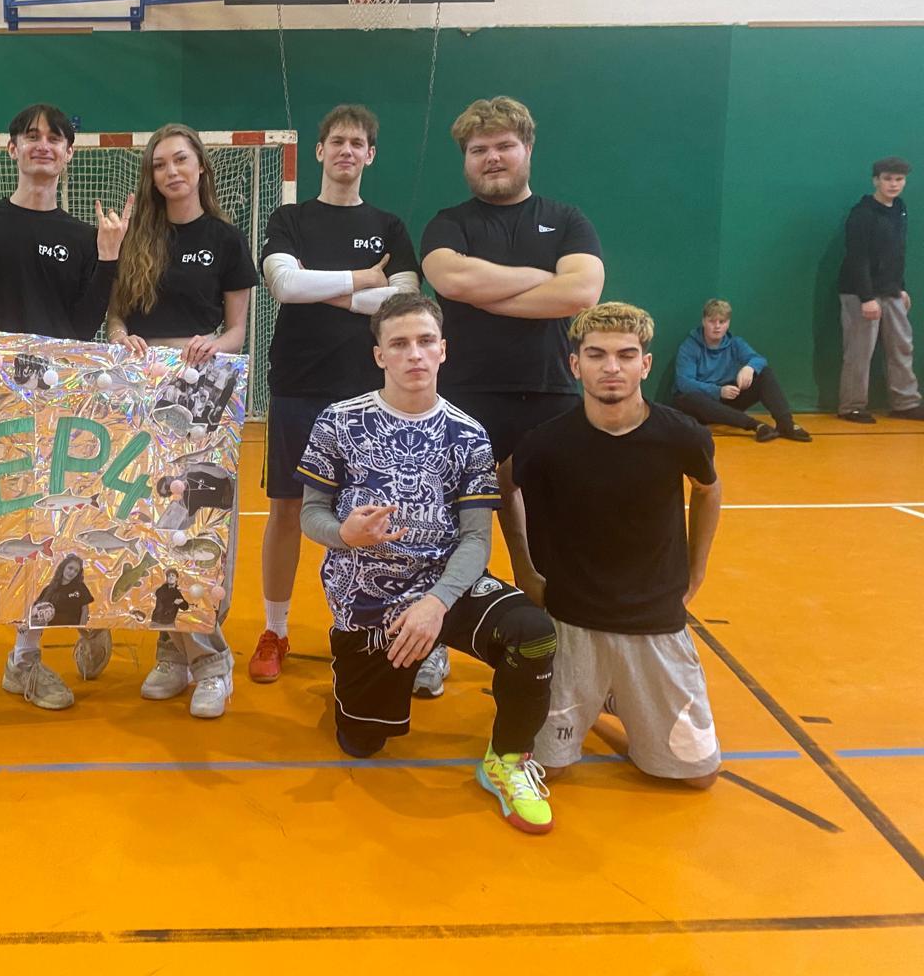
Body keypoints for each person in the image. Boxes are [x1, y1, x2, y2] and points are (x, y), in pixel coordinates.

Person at [297, 293, 559, 834]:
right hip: (369, 598)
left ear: (443, 350)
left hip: (445, 586)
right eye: (399, 344)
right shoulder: (339, 422)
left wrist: (436, 603)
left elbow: (476, 540)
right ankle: (375, 663)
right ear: (379, 356)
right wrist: (343, 534)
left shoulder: (469, 434)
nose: (413, 354)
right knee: (361, 742)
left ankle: (508, 759)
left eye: (425, 341)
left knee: (533, 633)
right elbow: (310, 514)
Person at [0, 103, 131, 711]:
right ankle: (34, 648)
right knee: (12, 529)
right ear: (12, 148)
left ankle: (42, 643)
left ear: (69, 153)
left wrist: (107, 259)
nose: (43, 145)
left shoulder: (83, 237)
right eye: (31, 136)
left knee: (62, 520)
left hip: (61, 401)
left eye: (55, 137)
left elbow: (81, 326)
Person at [510, 302, 723, 790]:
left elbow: (708, 489)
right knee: (551, 770)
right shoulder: (547, 442)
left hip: (654, 619)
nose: (611, 367)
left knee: (698, 776)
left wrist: (697, 572)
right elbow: (507, 484)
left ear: (644, 365)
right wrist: (524, 568)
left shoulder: (681, 435)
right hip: (573, 620)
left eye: (626, 355)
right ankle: (605, 696)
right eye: (596, 355)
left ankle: (619, 698)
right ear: (575, 364)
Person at [250, 104, 420, 687]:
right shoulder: (290, 218)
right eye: (337, 141)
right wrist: (365, 280)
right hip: (298, 385)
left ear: (371, 155)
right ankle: (274, 630)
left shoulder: (390, 227)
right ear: (319, 151)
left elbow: (404, 304)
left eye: (358, 143)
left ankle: (371, 626)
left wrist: (324, 288)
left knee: (373, 513)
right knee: (286, 509)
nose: (347, 150)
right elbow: (284, 285)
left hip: (369, 392)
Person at [420, 96, 604, 614]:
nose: (492, 158)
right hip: (464, 392)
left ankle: (565, 626)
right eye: (478, 149)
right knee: (449, 524)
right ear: (466, 159)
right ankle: (440, 631)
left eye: (504, 145)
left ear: (527, 149)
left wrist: (487, 293)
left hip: (549, 389)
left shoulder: (566, 219)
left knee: (560, 524)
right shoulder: (449, 222)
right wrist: (543, 280)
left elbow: (582, 292)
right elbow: (451, 280)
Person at [109, 123, 257, 719]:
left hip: (205, 394)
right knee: (152, 520)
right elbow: (115, 318)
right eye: (159, 164)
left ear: (200, 168)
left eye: (180, 160)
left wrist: (212, 346)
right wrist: (122, 339)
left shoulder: (226, 239)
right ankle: (171, 651)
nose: (170, 171)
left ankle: (213, 662)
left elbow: (238, 330)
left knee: (201, 522)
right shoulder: (136, 237)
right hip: (143, 390)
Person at [837, 157, 922, 423]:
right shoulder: (862, 213)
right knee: (860, 350)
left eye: (899, 179)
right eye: (887, 179)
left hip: (891, 290)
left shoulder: (900, 209)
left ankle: (905, 403)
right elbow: (857, 257)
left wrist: (900, 287)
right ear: (876, 180)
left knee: (901, 345)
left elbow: (896, 253)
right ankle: (851, 406)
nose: (893, 184)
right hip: (860, 292)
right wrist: (867, 297)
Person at [672, 299, 810, 442]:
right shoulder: (690, 346)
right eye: (712, 321)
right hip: (701, 404)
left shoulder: (735, 343)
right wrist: (718, 391)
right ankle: (755, 425)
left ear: (728, 323)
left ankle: (785, 424)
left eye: (722, 322)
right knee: (689, 398)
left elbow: (759, 359)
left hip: (727, 399)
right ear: (704, 321)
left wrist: (750, 368)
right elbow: (684, 382)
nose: (717, 326)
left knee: (764, 373)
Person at [31, 556, 93, 627]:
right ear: (63, 567)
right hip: (50, 630)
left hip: (72, 630)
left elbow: (85, 610)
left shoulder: (80, 587)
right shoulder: (49, 589)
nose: (72, 572)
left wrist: (80, 628)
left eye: (76, 571)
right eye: (70, 568)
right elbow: (36, 608)